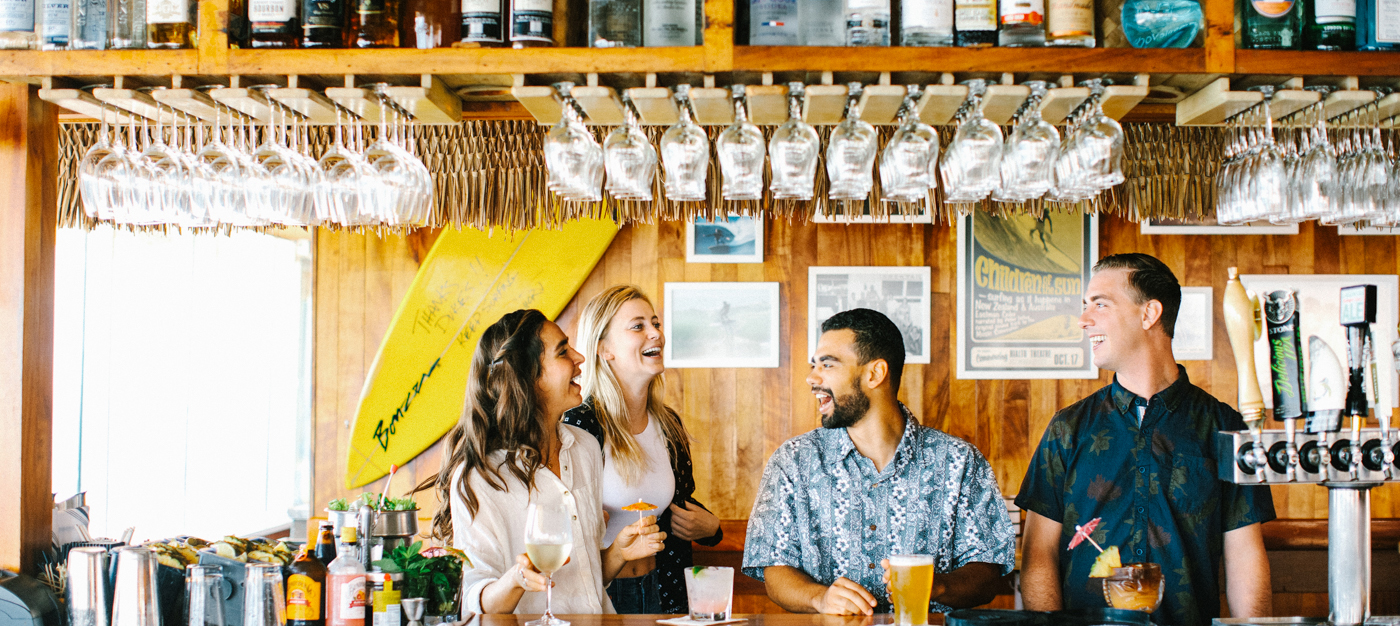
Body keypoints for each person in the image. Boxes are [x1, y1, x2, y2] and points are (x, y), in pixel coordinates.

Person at [1016, 253, 1275, 626]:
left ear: (1149, 314)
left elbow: (1245, 556)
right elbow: (1039, 554)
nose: (1084, 320)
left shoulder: (1224, 426)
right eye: (1085, 306)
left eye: (1099, 305)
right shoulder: (1067, 428)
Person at [743, 308, 1016, 615]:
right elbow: (775, 570)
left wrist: (936, 586)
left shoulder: (961, 461)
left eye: (827, 364)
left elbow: (988, 572)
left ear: (875, 374)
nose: (812, 377)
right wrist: (819, 598)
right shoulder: (793, 461)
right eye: (813, 365)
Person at [423, 309, 668, 615]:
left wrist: (617, 553)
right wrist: (516, 580)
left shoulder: (585, 448)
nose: (580, 357)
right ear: (528, 377)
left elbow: (585, 581)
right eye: (563, 351)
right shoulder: (478, 477)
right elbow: (474, 602)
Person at [563, 285, 724, 614]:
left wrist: (713, 530)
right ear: (604, 349)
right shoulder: (579, 424)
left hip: (663, 589)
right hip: (602, 596)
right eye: (638, 326)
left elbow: (678, 504)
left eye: (656, 324)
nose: (656, 334)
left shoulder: (668, 424)